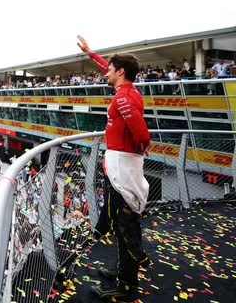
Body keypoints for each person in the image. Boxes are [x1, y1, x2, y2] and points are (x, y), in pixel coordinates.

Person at [77, 35, 152, 301]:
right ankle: (122, 272)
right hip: (120, 166)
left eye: (109, 69)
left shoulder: (122, 98)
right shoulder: (128, 91)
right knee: (120, 226)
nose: (105, 73)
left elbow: (142, 134)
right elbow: (107, 69)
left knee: (125, 228)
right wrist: (90, 53)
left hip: (123, 170)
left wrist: (141, 147)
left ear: (120, 72)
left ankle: (127, 286)